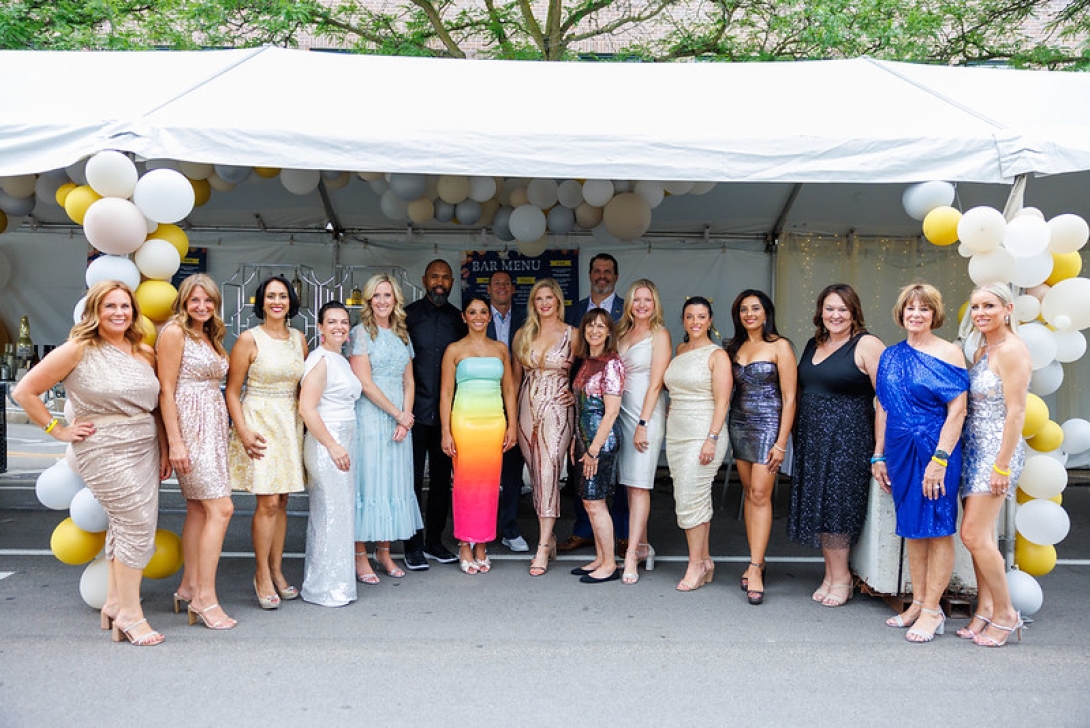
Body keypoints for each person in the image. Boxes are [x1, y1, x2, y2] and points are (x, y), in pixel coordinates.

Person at [14, 280, 170, 645]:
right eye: (109, 306)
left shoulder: (143, 352)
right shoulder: (78, 349)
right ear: (94, 312)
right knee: (137, 524)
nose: (118, 313)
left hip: (144, 446)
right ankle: (132, 614)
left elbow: (157, 407)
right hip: (103, 448)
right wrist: (58, 429)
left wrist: (163, 446)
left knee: (123, 524)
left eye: (125, 306)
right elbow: (24, 391)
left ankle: (115, 604)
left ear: (134, 312)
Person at [873, 283, 968, 643]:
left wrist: (940, 459)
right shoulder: (890, 355)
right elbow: (883, 407)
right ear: (901, 313)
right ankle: (918, 601)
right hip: (898, 448)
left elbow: (958, 411)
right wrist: (879, 454)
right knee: (912, 526)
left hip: (935, 447)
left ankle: (933, 610)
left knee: (938, 526)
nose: (916, 314)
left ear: (934, 315)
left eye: (924, 309)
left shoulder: (950, 353)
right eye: (910, 308)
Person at [787, 284, 885, 608]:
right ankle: (830, 574)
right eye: (830, 308)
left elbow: (886, 400)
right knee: (820, 506)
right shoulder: (814, 344)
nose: (836, 315)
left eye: (843, 309)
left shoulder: (867, 344)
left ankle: (842, 577)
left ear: (854, 311)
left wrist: (880, 450)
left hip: (849, 437)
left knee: (838, 507)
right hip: (813, 438)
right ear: (821, 312)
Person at [157, 274, 236, 630]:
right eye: (195, 301)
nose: (202, 307)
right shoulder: (174, 333)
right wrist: (175, 441)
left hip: (214, 426)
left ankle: (188, 588)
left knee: (199, 510)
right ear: (184, 303)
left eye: (208, 302)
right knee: (221, 508)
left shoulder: (209, 334)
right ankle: (205, 598)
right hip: (191, 426)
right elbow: (165, 391)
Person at [226, 275, 307, 610]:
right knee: (268, 502)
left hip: (290, 421)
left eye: (283, 296)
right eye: (271, 296)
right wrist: (242, 431)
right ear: (261, 302)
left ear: (291, 302)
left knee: (283, 500)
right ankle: (260, 573)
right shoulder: (248, 339)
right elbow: (232, 391)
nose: (278, 301)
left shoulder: (300, 339)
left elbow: (304, 386)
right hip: (259, 421)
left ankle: (277, 569)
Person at [957, 283, 1031, 647]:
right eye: (975, 307)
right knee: (979, 538)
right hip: (973, 448)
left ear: (1008, 309)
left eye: (989, 305)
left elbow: (1017, 411)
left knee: (972, 534)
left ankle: (1006, 613)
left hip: (996, 453)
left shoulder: (1013, 350)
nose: (981, 312)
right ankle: (984, 608)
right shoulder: (983, 348)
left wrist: (1002, 465)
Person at [350, 274, 424, 582]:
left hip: (399, 423)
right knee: (369, 483)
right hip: (370, 418)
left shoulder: (402, 335)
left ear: (396, 300)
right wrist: (398, 414)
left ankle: (384, 552)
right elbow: (364, 383)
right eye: (376, 296)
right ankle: (358, 556)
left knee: (392, 484)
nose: (382, 301)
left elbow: (409, 380)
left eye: (387, 295)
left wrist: (406, 416)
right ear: (368, 301)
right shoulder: (359, 334)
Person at [725, 289, 796, 606]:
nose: (749, 314)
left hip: (769, 426)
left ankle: (755, 566)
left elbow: (790, 398)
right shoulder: (734, 347)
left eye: (755, 308)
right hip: (738, 424)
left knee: (760, 494)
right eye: (743, 309)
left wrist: (782, 443)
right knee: (749, 493)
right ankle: (758, 559)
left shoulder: (781, 346)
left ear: (766, 312)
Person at [440, 294, 519, 574]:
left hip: (493, 423)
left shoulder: (500, 349)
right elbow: (446, 392)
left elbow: (509, 389)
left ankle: (482, 544)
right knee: (463, 485)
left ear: (489, 316)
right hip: (464, 423)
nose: (477, 316)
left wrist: (512, 425)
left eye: (483, 312)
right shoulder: (454, 350)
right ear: (464, 317)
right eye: (472, 312)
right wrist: (446, 432)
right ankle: (464, 543)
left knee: (488, 486)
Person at [561, 253, 628, 553]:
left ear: (615, 276)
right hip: (583, 418)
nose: (602, 275)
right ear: (589, 274)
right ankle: (586, 535)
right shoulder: (575, 311)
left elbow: (611, 408)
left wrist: (594, 445)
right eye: (597, 271)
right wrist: (573, 393)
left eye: (608, 271)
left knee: (609, 487)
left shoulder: (626, 311)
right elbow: (574, 363)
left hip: (607, 415)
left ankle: (618, 541)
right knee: (588, 494)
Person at [663, 296, 731, 592]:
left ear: (710, 320)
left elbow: (723, 401)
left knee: (691, 497)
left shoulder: (717, 356)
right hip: (676, 433)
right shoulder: (679, 350)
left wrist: (712, 439)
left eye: (701, 316)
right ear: (683, 320)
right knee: (691, 497)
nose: (695, 322)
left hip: (704, 433)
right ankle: (704, 560)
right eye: (689, 316)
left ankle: (694, 565)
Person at [404, 259, 467, 568]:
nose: (439, 282)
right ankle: (412, 544)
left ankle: (434, 543)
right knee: (412, 481)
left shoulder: (460, 319)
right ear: (424, 280)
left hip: (448, 415)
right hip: (413, 414)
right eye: (434, 277)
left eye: (445, 277)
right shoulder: (408, 317)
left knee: (443, 481)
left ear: (452, 282)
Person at [299, 301, 362, 607]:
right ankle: (324, 588)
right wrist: (332, 445)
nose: (339, 326)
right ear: (320, 327)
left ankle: (336, 583)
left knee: (338, 516)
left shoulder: (341, 359)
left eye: (344, 322)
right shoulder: (320, 360)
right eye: (332, 321)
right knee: (330, 515)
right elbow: (307, 409)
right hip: (328, 445)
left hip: (342, 443)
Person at [514, 278, 575, 576]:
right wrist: (511, 421)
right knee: (537, 472)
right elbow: (513, 380)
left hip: (558, 409)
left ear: (558, 300)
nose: (545, 303)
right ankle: (549, 536)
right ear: (533, 304)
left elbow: (588, 372)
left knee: (550, 467)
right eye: (539, 299)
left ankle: (540, 546)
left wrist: (575, 393)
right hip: (526, 407)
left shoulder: (573, 335)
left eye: (549, 297)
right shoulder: (523, 335)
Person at [615, 279, 670, 584]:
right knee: (629, 484)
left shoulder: (659, 334)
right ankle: (643, 546)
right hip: (620, 411)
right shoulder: (621, 332)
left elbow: (657, 382)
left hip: (645, 413)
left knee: (640, 485)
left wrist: (643, 423)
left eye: (647, 300)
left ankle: (632, 555)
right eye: (637, 300)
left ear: (655, 303)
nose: (642, 305)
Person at [570, 310, 626, 583]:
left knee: (595, 502)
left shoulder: (611, 363)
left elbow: (611, 412)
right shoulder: (587, 361)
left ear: (608, 332)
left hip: (600, 443)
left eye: (600, 326)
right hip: (585, 442)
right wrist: (577, 443)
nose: (594, 330)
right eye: (589, 325)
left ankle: (610, 565)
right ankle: (601, 558)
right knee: (589, 501)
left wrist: (593, 450)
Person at [485, 270, 529, 553]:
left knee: (513, 470)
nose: (501, 287)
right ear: (489, 289)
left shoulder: (527, 319)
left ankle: (509, 528)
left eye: (506, 283)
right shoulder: (475, 315)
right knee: (485, 470)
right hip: (482, 404)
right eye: (496, 283)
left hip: (518, 401)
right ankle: (484, 528)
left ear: (514, 289)